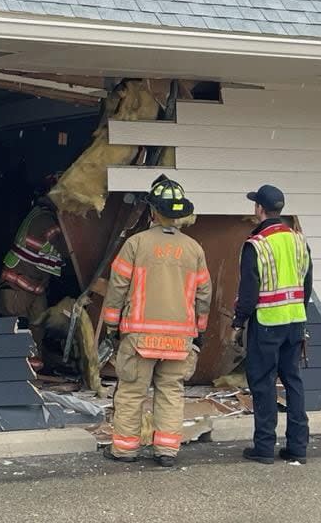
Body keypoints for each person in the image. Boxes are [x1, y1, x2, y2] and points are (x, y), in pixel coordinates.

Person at [102, 175, 212, 467]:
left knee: (131, 392)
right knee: (171, 393)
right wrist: (199, 330)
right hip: (180, 339)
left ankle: (125, 450)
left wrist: (112, 327)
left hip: (139, 337)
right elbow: (204, 294)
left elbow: (117, 288)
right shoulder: (194, 249)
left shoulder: (136, 244)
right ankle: (166, 452)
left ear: (152, 210)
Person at [231, 185, 313, 465]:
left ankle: (264, 447)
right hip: (295, 321)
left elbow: (249, 291)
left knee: (263, 383)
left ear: (259, 209)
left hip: (267, 322)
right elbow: (307, 284)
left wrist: (238, 322)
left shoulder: (257, 244)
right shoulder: (299, 241)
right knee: (293, 381)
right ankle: (298, 447)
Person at [0, 178, 69, 342]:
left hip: (32, 287)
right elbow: (66, 250)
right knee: (16, 334)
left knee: (35, 332)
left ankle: (35, 366)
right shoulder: (46, 221)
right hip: (18, 288)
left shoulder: (40, 213)